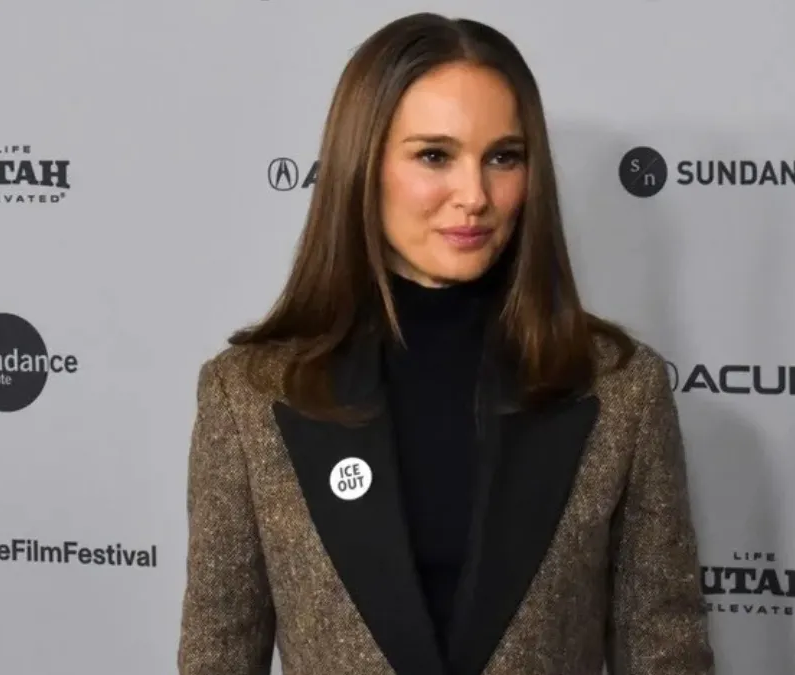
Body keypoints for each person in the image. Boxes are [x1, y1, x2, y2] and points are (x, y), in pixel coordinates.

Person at [177, 11, 714, 675]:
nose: (475, 195)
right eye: (435, 155)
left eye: (503, 157)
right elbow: (217, 658)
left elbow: (666, 657)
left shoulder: (621, 389)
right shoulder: (248, 394)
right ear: (362, 165)